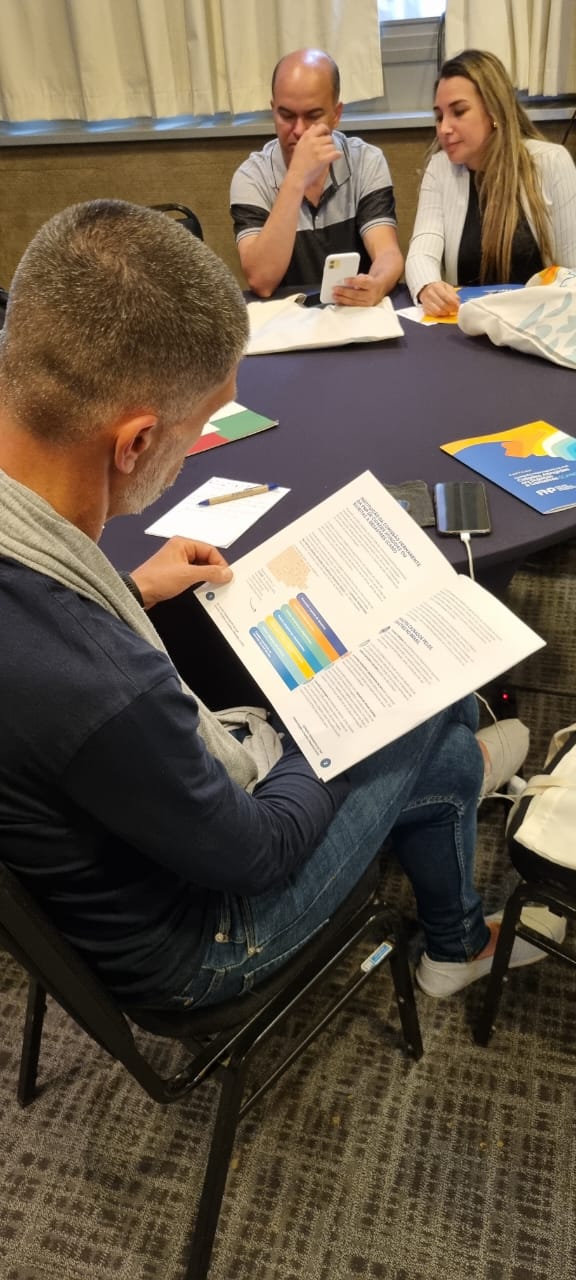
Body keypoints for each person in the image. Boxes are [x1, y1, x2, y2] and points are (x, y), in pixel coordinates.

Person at [0, 200, 562, 1016]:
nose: (193, 450)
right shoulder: (101, 680)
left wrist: (135, 588)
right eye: (200, 428)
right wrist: (336, 721)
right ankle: (459, 866)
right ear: (137, 441)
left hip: (102, 854)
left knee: (416, 728)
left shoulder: (40, 585)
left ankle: (456, 823)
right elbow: (256, 853)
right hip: (199, 943)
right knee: (413, 701)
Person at [405, 48, 576, 316]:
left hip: (539, 322)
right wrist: (427, 286)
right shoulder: (439, 169)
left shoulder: (552, 162)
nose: (444, 128)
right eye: (439, 116)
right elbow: (421, 252)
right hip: (468, 324)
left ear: (494, 111)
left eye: (459, 112)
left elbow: (572, 269)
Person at [230, 48, 404, 305]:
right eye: (286, 115)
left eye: (312, 116)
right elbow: (261, 281)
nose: (299, 130)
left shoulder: (366, 161)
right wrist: (296, 177)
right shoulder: (251, 177)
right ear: (273, 110)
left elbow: (387, 253)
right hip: (287, 318)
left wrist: (377, 284)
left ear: (336, 114)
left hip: (352, 312)